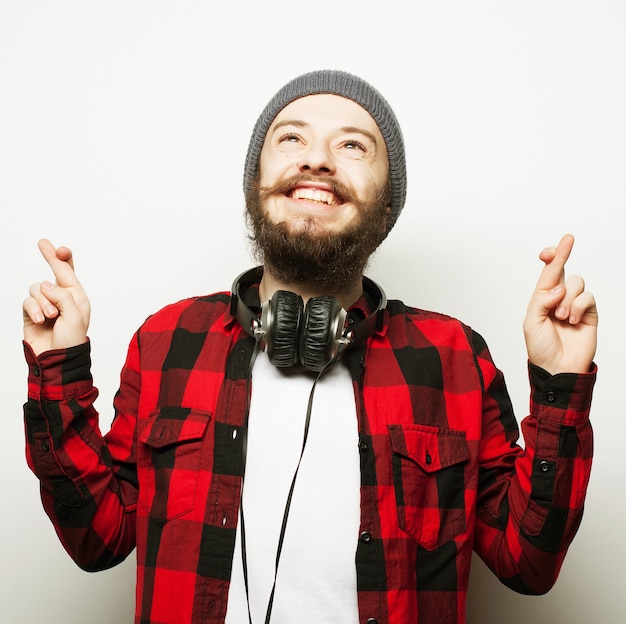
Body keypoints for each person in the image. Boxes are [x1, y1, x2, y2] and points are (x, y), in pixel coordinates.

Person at [22, 70, 597, 624]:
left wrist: (561, 387)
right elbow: (98, 539)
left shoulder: (452, 356)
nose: (317, 158)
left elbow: (528, 564)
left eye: (353, 145)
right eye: (291, 137)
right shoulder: (166, 340)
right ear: (256, 184)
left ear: (387, 204)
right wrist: (59, 370)